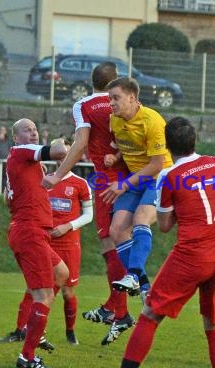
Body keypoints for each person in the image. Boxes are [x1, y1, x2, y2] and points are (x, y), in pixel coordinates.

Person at [118, 117, 215, 368]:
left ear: (168, 145)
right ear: (194, 139)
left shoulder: (169, 176)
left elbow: (164, 225)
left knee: (149, 314)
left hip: (192, 257)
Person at [41, 61, 135, 346]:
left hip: (108, 180)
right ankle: (117, 306)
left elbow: (81, 143)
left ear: (91, 81)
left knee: (109, 244)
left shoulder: (84, 105)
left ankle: (120, 310)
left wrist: (57, 175)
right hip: (134, 176)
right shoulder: (126, 103)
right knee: (123, 241)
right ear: (115, 82)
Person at [0, 139, 93, 346]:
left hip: (69, 243)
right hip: (42, 238)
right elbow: (14, 197)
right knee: (37, 290)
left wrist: (68, 226)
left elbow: (89, 215)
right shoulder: (44, 179)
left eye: (70, 153)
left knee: (66, 291)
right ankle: (24, 332)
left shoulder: (80, 183)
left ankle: (70, 332)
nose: (65, 157)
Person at [99, 76, 173, 312]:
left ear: (132, 98)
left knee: (141, 219)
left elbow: (157, 164)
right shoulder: (116, 119)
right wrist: (115, 157)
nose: (111, 103)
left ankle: (132, 275)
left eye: (116, 98)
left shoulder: (153, 121)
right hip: (137, 179)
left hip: (160, 178)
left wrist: (123, 185)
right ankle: (144, 286)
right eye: (110, 98)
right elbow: (125, 143)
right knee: (116, 230)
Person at [5, 118, 69, 368]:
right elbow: (58, 150)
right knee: (43, 295)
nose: (32, 133)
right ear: (15, 138)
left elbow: (8, 197)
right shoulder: (22, 152)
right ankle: (27, 356)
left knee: (61, 274)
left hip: (31, 231)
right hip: (30, 231)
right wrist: (63, 138)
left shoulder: (22, 161)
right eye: (26, 130)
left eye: (34, 130)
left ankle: (35, 327)